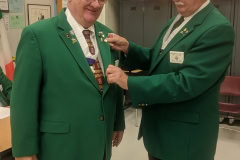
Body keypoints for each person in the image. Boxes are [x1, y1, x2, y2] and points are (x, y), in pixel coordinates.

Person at [105, 0, 235, 160]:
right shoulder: (176, 21)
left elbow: (186, 83)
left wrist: (129, 82)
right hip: (160, 134)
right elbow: (157, 58)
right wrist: (128, 48)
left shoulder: (217, 28)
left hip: (184, 139)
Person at [10, 0, 125, 160]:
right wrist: (24, 150)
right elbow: (23, 99)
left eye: (102, 0)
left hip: (100, 143)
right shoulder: (38, 35)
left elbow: (113, 82)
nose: (96, 5)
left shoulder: (107, 35)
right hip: (60, 146)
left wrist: (118, 121)